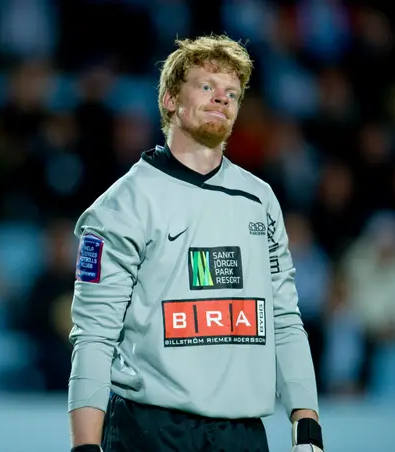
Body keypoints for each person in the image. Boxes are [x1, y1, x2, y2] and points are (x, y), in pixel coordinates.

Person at [68, 35, 324, 452]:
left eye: (232, 94)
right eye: (207, 87)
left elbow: (284, 318)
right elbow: (94, 335)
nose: (222, 99)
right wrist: (85, 446)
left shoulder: (260, 200)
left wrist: (307, 423)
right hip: (149, 430)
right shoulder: (122, 205)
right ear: (170, 100)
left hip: (241, 434)